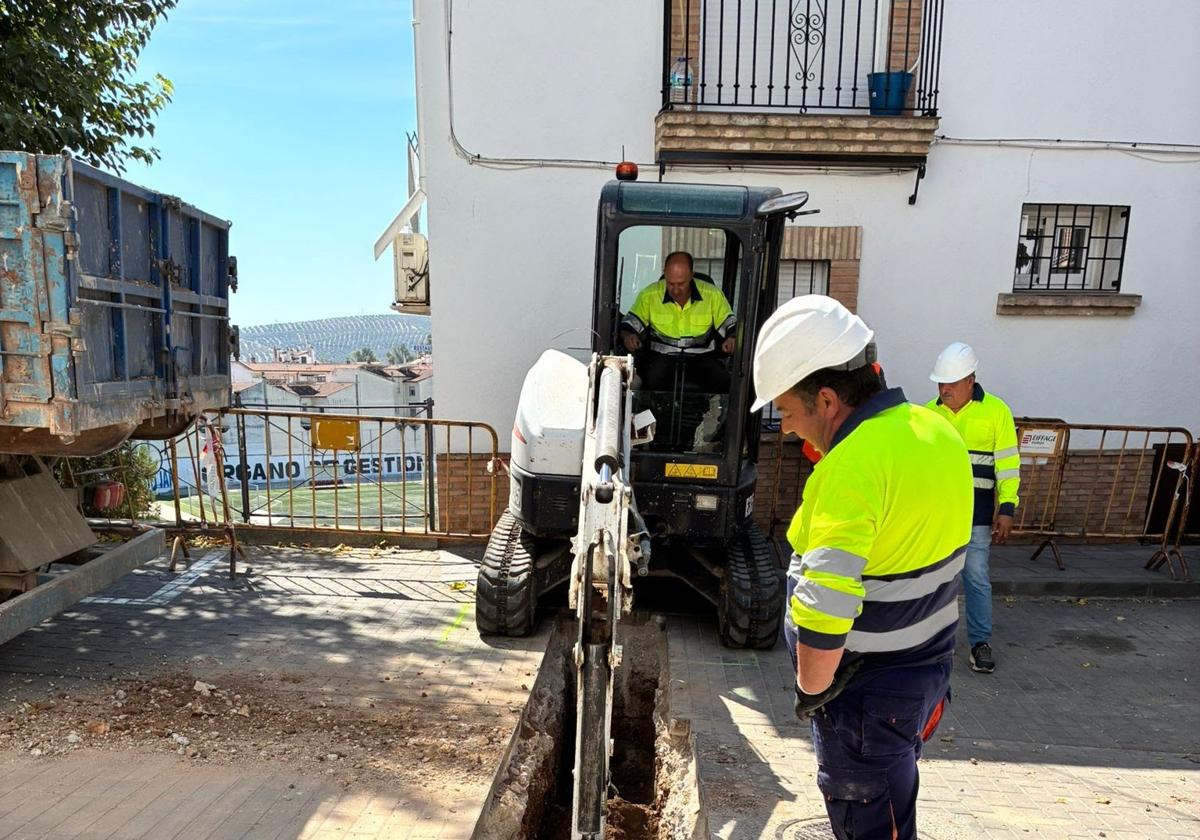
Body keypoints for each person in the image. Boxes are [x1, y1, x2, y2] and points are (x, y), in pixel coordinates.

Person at [751, 295, 973, 840]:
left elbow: (825, 608)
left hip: (865, 698)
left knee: (870, 821)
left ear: (826, 399)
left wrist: (810, 690)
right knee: (896, 801)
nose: (784, 428)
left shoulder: (851, 469)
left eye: (787, 410)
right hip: (924, 675)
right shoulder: (938, 432)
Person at [925, 341, 1020, 675]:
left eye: (951, 383)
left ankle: (980, 642)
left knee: (976, 578)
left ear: (971, 380)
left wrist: (1007, 507)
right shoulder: (928, 414)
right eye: (941, 382)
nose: (944, 389)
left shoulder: (996, 412)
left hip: (976, 517)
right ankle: (931, 642)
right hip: (936, 517)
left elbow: (1007, 465)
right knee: (933, 580)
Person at [618, 251, 736, 392]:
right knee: (647, 382)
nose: (675, 290)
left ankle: (718, 414)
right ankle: (651, 414)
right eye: (670, 283)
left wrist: (732, 338)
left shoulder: (712, 295)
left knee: (725, 383)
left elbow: (730, 323)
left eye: (681, 284)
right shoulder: (649, 295)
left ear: (691, 276)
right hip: (662, 358)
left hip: (702, 357)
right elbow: (629, 324)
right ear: (665, 275)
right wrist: (628, 336)